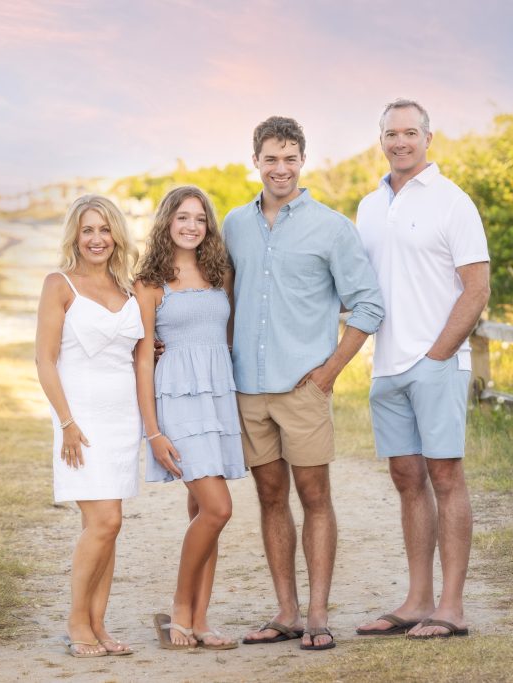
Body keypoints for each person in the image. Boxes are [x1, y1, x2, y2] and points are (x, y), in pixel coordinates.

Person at [223, 116, 384, 651]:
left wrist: (329, 372)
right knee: (270, 497)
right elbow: (223, 299)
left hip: (302, 389)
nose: (281, 168)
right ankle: (286, 612)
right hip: (248, 388)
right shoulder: (233, 225)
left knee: (315, 496)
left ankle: (317, 614)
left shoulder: (331, 228)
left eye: (290, 158)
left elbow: (369, 304)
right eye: (271, 158)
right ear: (256, 161)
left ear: (302, 162)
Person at [355, 99, 490, 640]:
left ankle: (452, 606)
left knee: (446, 478)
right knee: (406, 480)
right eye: (392, 133)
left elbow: (476, 289)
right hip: (385, 367)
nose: (401, 141)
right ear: (381, 139)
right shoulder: (367, 206)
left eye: (411, 132)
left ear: (429, 138)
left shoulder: (453, 203)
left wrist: (437, 356)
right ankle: (417, 600)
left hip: (436, 363)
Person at [134, 186, 246, 651]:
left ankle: (201, 620)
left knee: (205, 513)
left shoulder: (221, 274)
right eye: (183, 217)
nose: (191, 226)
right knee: (219, 508)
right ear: (167, 222)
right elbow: (142, 358)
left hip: (217, 399)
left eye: (200, 219)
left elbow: (229, 336)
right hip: (176, 403)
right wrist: (154, 432)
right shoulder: (149, 282)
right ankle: (180, 610)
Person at [35, 194, 143, 657]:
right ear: (75, 237)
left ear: (116, 233)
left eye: (104, 229)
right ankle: (77, 622)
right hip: (81, 419)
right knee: (104, 520)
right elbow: (44, 359)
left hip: (124, 420)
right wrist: (67, 423)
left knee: (109, 527)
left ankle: (99, 625)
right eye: (87, 230)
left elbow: (140, 352)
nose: (97, 239)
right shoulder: (60, 284)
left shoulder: (131, 288)